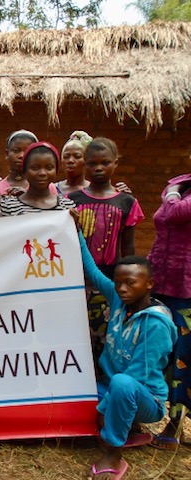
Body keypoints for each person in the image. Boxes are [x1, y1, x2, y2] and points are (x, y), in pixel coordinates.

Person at [75, 232, 177, 480]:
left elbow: (137, 375)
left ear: (149, 283)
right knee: (75, 394)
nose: (122, 288)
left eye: (130, 282)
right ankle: (127, 427)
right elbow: (92, 270)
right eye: (118, 282)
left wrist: (103, 407)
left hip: (146, 399)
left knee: (122, 383)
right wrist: (75, 230)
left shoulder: (156, 324)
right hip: (113, 388)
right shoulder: (119, 300)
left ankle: (114, 453)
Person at [68, 138, 144, 365]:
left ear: (115, 163)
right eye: (92, 163)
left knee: (104, 335)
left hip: (109, 281)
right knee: (77, 333)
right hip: (76, 280)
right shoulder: (72, 201)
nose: (98, 168)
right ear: (84, 165)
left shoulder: (126, 202)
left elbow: (128, 245)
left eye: (105, 162)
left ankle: (102, 382)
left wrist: (126, 281)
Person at [147, 172, 191, 449]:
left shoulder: (176, 189)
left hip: (186, 288)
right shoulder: (181, 183)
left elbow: (176, 213)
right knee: (157, 350)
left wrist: (172, 191)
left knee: (183, 358)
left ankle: (175, 426)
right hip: (161, 280)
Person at [0, 142, 75, 216]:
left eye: (49, 168)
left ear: (56, 170)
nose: (42, 173)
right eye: (35, 168)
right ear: (25, 170)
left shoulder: (67, 207)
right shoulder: (9, 207)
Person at [55, 131, 131, 196]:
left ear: (86, 161)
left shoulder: (96, 191)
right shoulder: (51, 190)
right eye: (66, 156)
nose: (70, 160)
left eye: (77, 156)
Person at [0, 130, 60, 197]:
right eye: (16, 151)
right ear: (7, 154)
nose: (21, 156)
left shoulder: (48, 187)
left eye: (27, 151)